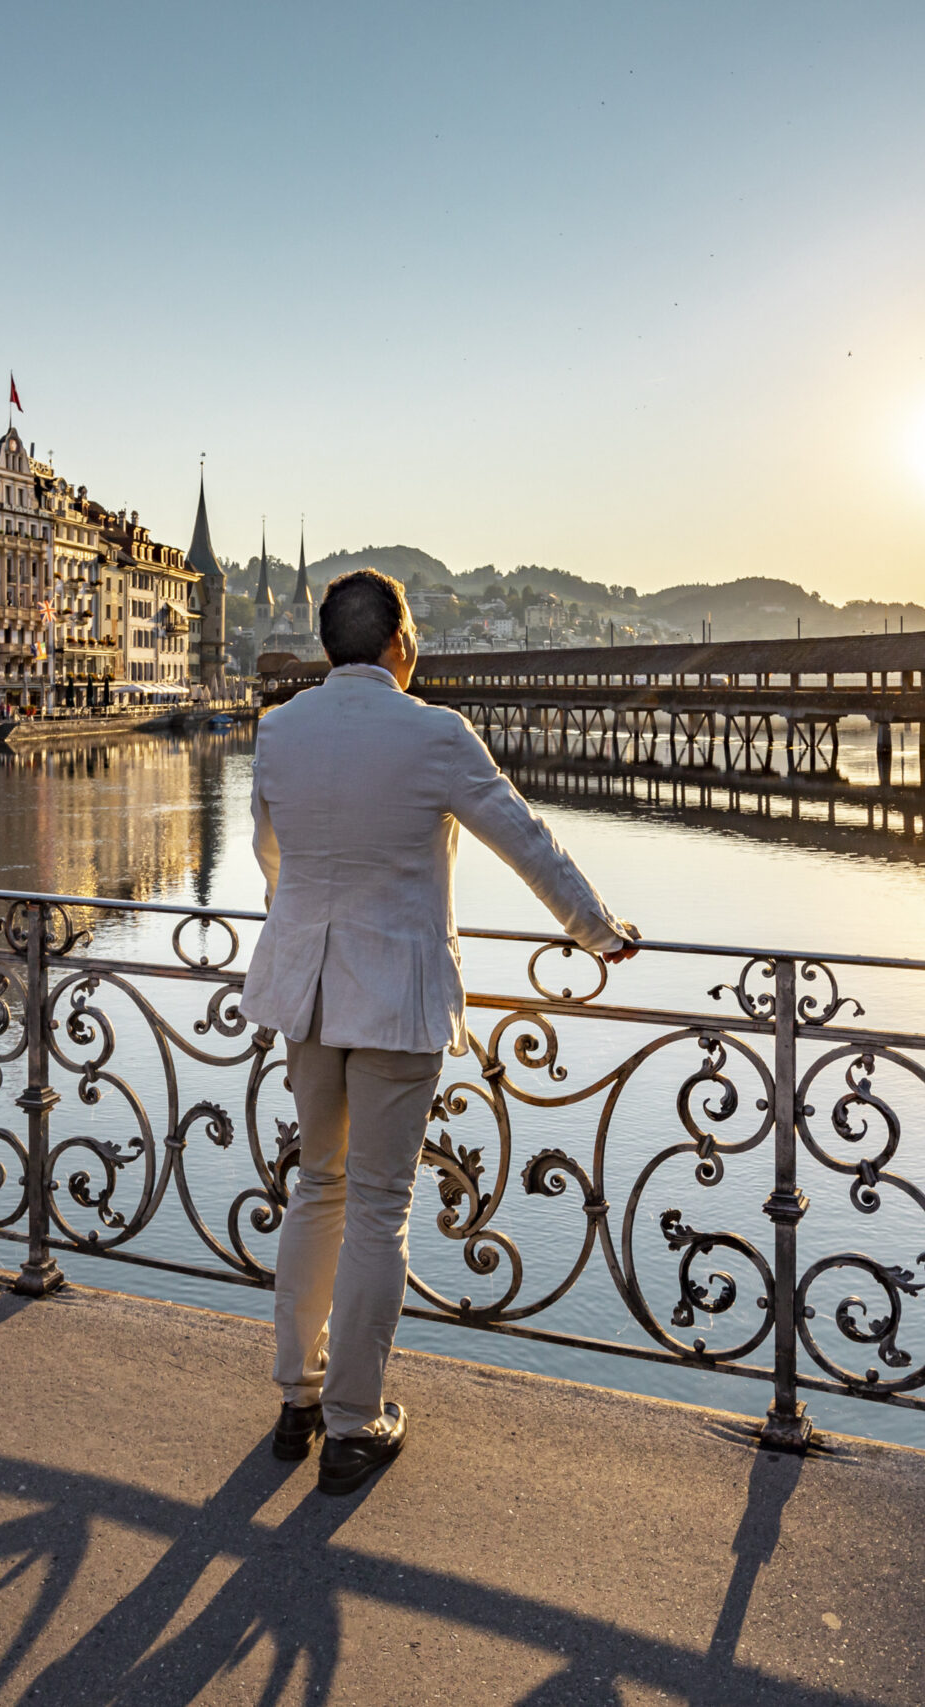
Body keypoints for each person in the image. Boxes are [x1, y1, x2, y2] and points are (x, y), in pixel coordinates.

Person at [243, 569, 637, 1495]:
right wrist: (598, 930)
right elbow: (524, 837)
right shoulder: (433, 733)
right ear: (400, 644)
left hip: (305, 993)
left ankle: (298, 1397)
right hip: (394, 1000)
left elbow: (272, 854)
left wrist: (300, 928)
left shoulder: (278, 730)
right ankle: (352, 1424)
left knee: (317, 1192)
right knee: (379, 1206)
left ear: (328, 645)